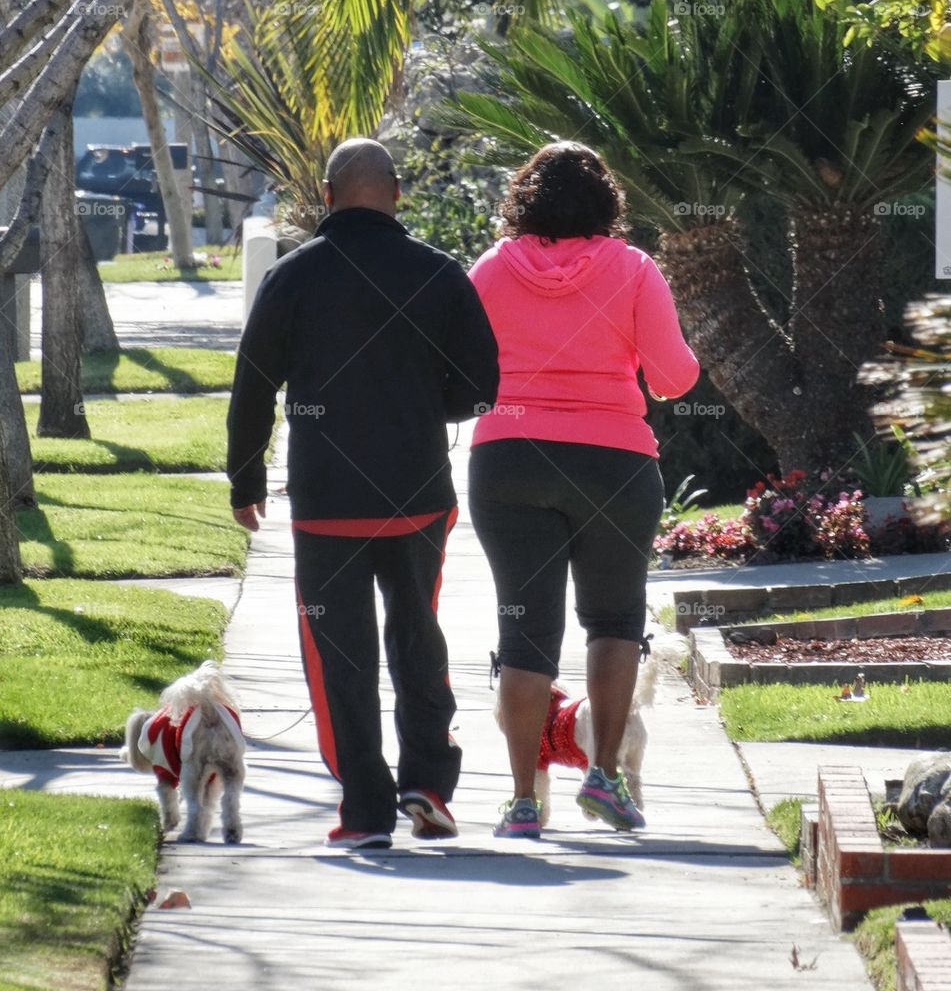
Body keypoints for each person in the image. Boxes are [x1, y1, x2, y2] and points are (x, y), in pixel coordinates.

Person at [227, 138, 499, 849]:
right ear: (398, 192)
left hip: (328, 503)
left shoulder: (291, 278)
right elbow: (480, 385)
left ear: (326, 195)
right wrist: (419, 407)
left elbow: (253, 385)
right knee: (418, 637)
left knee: (336, 656)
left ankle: (365, 810)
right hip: (417, 496)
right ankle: (429, 783)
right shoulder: (438, 273)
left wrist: (244, 480)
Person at [467, 142, 699, 838]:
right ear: (607, 203)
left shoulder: (487, 271)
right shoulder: (633, 270)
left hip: (508, 461)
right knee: (613, 619)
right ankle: (604, 776)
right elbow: (673, 378)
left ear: (523, 199)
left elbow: (457, 368)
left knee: (523, 632)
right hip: (613, 464)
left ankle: (521, 802)